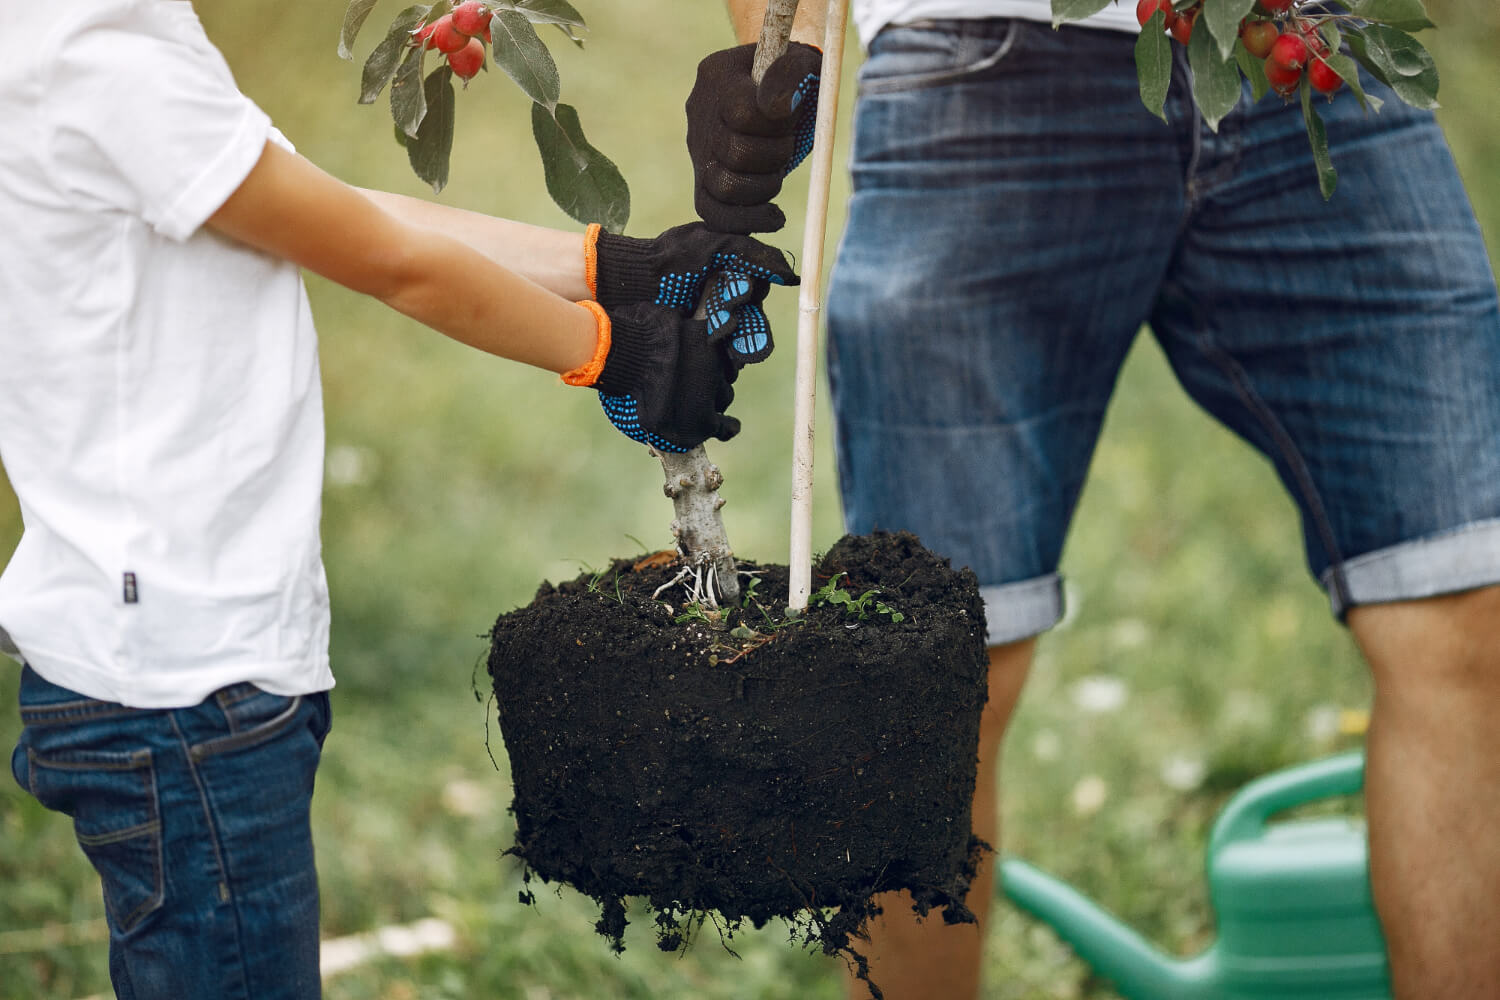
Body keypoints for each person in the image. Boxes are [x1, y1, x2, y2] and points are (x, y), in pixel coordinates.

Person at [685, 2, 1500, 998]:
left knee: (1470, 602)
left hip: (1311, 53)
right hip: (987, 63)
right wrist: (785, 44)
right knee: (936, 677)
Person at [0, 3, 797, 997]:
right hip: (181, 691)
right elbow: (387, 261)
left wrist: (622, 270)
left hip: (184, 667)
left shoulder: (95, 36)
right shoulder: (95, 52)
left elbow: (327, 206)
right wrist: (612, 351)